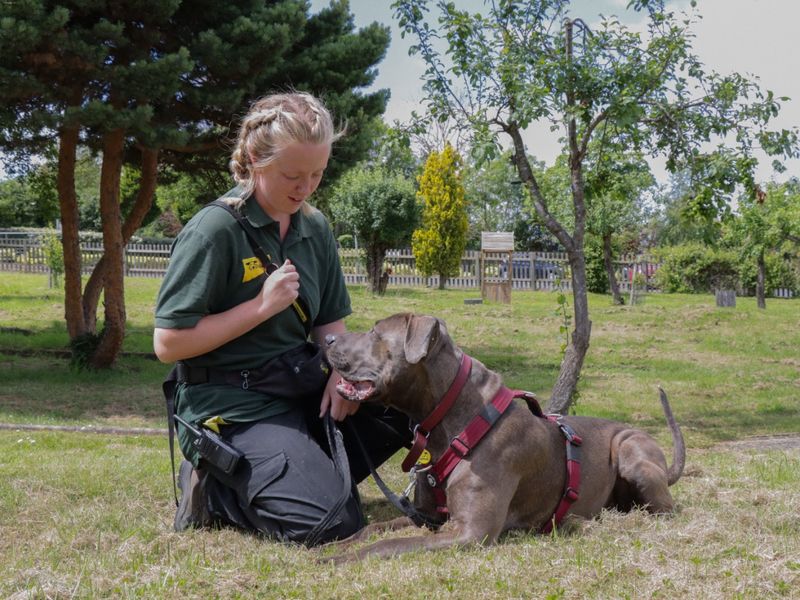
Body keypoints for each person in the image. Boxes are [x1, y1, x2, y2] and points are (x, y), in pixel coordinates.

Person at [153, 91, 410, 545]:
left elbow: (330, 326)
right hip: (234, 407)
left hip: (299, 389)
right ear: (254, 158)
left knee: (408, 397)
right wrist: (261, 307)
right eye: (292, 174)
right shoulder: (215, 231)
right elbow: (168, 344)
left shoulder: (315, 228)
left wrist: (342, 375)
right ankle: (215, 483)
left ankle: (304, 474)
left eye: (317, 173)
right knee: (334, 524)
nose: (305, 187)